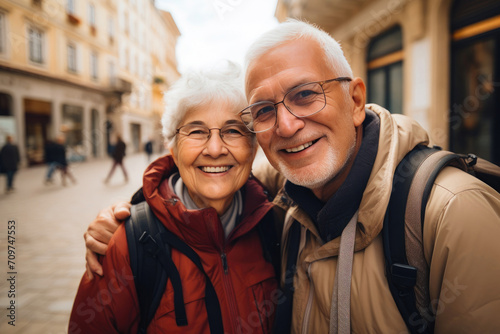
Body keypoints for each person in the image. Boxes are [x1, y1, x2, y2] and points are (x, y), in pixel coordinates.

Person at [83, 20, 500, 333]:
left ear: (356, 100)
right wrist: (135, 211)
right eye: (263, 111)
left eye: (305, 94)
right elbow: (216, 175)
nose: (285, 126)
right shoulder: (282, 195)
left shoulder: (452, 212)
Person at [69, 64, 280, 333]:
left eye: (233, 131)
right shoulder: (127, 244)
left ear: (253, 148)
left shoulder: (273, 224)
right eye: (196, 131)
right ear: (172, 148)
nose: (215, 149)